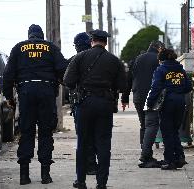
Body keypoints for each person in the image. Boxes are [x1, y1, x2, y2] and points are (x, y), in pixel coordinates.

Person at [3, 24, 67, 185]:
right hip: (46, 91)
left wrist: (9, 97)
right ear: (41, 35)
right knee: (46, 132)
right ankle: (45, 175)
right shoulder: (51, 47)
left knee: (26, 132)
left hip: (26, 92)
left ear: (29, 35)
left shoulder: (18, 48)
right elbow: (63, 69)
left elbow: (8, 75)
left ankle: (24, 175)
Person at [64, 29, 127, 189]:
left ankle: (81, 181)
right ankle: (101, 183)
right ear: (105, 42)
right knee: (103, 143)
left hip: (84, 103)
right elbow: (123, 85)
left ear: (91, 40)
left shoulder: (80, 57)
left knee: (83, 142)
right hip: (105, 103)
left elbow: (68, 81)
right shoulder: (114, 60)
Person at [146, 48, 193, 170]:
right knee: (174, 131)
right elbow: (189, 86)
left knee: (167, 132)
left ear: (161, 59)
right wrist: (178, 91)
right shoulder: (181, 70)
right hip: (180, 102)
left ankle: (170, 161)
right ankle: (179, 157)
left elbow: (155, 88)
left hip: (167, 103)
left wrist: (150, 103)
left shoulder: (161, 70)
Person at [121, 41, 164, 148]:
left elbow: (129, 80)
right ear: (158, 48)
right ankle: (148, 151)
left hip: (138, 96)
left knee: (143, 124)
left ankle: (144, 149)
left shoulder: (136, 59)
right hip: (154, 97)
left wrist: (125, 99)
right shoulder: (159, 60)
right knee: (153, 123)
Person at [67, 32, 98, 175]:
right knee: (95, 134)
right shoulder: (98, 58)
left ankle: (84, 166)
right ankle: (92, 164)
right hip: (97, 101)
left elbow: (67, 81)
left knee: (82, 136)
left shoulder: (73, 60)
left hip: (78, 103)